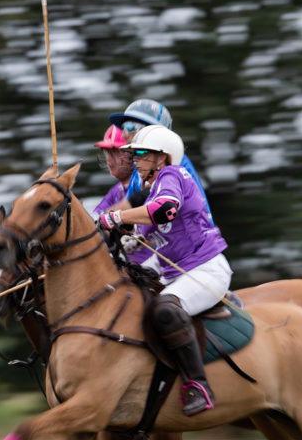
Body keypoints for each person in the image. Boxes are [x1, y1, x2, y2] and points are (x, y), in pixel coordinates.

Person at [95, 124, 232, 416]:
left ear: (162, 157)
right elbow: (151, 236)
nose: (136, 160)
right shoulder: (151, 188)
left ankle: (199, 385)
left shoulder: (173, 175)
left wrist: (115, 217)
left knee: (165, 310)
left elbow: (164, 210)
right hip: (176, 274)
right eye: (135, 155)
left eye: (142, 154)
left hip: (206, 270)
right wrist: (131, 243)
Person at [108, 98, 213, 223]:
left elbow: (144, 199)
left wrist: (111, 218)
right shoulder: (140, 168)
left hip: (193, 240)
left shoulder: (174, 159)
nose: (123, 135)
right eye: (123, 128)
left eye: (130, 127)